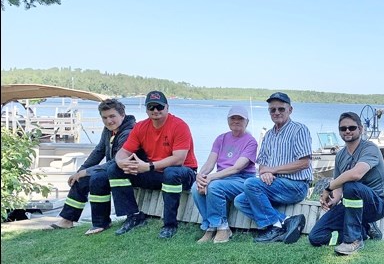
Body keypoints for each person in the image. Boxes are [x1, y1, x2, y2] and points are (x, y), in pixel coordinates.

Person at [108, 90, 198, 239]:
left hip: (184, 173)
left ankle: (170, 225)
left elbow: (179, 159)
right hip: (156, 172)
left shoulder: (179, 126)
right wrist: (121, 161)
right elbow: (123, 151)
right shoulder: (141, 127)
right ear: (146, 109)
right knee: (114, 169)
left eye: (159, 107)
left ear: (167, 108)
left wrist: (148, 166)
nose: (155, 110)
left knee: (171, 172)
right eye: (151, 107)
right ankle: (134, 216)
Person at [46, 99, 137, 234]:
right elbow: (98, 151)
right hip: (112, 168)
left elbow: (118, 161)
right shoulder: (108, 130)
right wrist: (81, 171)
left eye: (112, 116)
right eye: (104, 118)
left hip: (127, 171)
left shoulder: (129, 132)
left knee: (97, 178)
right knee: (81, 178)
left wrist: (87, 172)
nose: (108, 121)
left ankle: (101, 223)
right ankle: (67, 219)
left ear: (122, 115)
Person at [233, 92, 311, 244]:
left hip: (296, 186)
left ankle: (274, 228)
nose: (276, 113)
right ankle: (286, 221)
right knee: (240, 201)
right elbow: (262, 164)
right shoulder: (268, 135)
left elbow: (304, 163)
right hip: (274, 184)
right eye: (272, 110)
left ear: (290, 110)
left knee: (250, 184)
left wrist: (272, 170)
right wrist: (264, 172)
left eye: (281, 109)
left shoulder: (299, 130)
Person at [308, 111, 384, 255]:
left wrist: (328, 188)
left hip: (376, 205)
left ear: (360, 129)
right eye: (343, 128)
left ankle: (353, 241)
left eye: (352, 128)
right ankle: (362, 232)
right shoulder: (340, 156)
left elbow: (356, 174)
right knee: (316, 236)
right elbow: (339, 187)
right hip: (351, 204)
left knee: (352, 186)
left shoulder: (370, 148)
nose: (347, 131)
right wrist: (333, 200)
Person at [192, 105, 258, 244]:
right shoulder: (221, 139)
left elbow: (237, 168)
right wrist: (201, 176)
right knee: (194, 187)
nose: (236, 121)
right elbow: (210, 163)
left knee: (215, 187)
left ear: (247, 122)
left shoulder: (250, 141)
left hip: (242, 179)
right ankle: (210, 227)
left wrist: (210, 178)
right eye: (233, 118)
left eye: (240, 118)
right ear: (228, 120)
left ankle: (223, 227)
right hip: (222, 178)